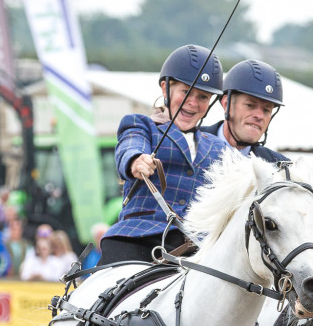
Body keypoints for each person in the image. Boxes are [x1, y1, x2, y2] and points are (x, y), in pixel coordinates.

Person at [100, 44, 230, 265]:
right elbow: (129, 147)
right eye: (186, 92)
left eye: (203, 97)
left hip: (198, 250)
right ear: (165, 88)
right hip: (139, 239)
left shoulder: (220, 148)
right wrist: (136, 160)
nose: (193, 103)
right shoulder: (141, 125)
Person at [201, 59, 287, 162]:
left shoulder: (279, 167)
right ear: (226, 104)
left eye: (266, 110)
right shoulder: (189, 144)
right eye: (250, 105)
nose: (259, 116)